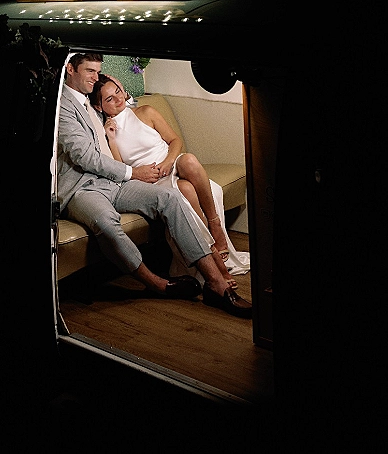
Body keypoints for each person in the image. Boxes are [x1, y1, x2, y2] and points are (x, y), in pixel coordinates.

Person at [57, 52, 251, 317]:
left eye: (97, 71)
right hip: (82, 188)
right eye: (90, 71)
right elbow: (84, 156)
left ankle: (215, 283)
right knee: (105, 221)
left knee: (170, 199)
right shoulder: (63, 105)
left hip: (112, 181)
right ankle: (158, 284)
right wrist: (132, 172)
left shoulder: (91, 101)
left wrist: (118, 93)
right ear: (70, 69)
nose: (95, 77)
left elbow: (122, 105)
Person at [90, 74, 250, 287]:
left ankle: (215, 225)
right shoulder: (106, 133)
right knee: (186, 190)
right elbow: (121, 169)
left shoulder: (145, 111)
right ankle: (212, 256)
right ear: (99, 106)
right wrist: (111, 138)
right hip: (151, 180)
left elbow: (175, 141)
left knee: (190, 161)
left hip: (170, 162)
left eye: (117, 92)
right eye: (109, 99)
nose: (118, 99)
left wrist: (167, 162)